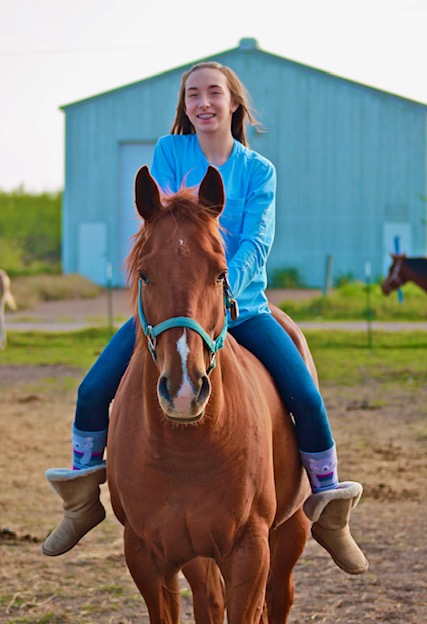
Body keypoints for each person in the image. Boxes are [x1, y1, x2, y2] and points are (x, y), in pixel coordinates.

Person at [42, 61, 368, 575]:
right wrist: (185, 292)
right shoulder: (170, 153)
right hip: (176, 308)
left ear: (233, 103)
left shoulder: (259, 171)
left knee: (304, 392)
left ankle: (329, 509)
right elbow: (170, 222)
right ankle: (82, 502)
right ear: (185, 106)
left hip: (241, 306)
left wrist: (226, 289)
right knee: (91, 389)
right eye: (193, 94)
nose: (203, 102)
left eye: (213, 92)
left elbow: (258, 241)